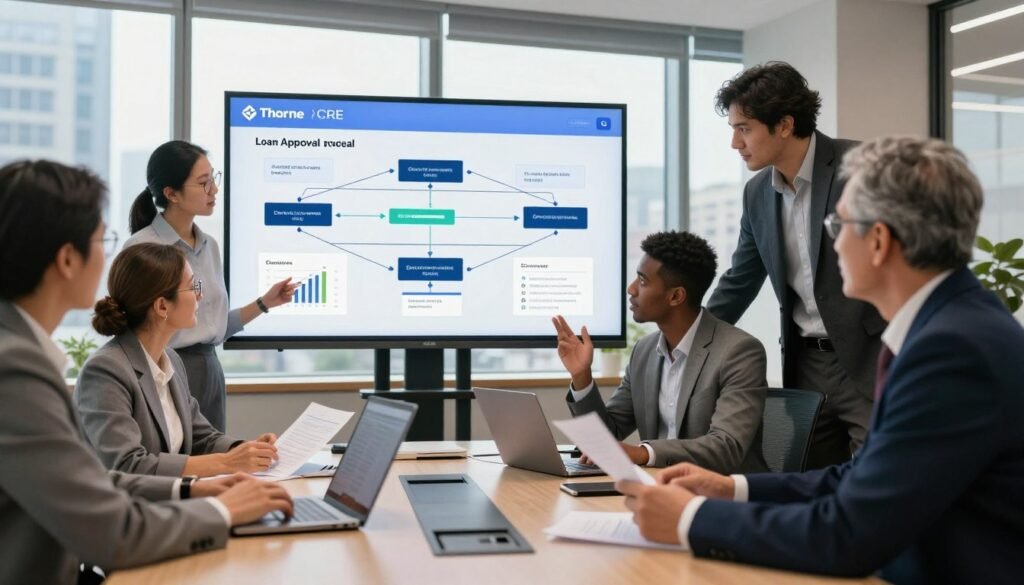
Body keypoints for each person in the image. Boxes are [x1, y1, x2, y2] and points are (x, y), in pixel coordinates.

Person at [618, 137, 1024, 584]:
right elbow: (858, 478)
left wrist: (690, 520)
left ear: (879, 241)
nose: (828, 244)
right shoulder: (945, 327)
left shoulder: (952, 351)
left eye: (837, 225)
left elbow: (848, 534)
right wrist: (731, 488)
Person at [0, 160, 293, 584]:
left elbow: (95, 479)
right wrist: (224, 509)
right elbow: (113, 531)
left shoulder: (23, 355)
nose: (107, 255)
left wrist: (193, 487)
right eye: (103, 240)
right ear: (67, 258)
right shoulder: (17, 372)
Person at [705, 61, 884, 468]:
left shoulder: (860, 166)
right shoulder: (757, 194)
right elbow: (740, 280)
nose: (735, 143)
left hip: (867, 358)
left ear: (784, 125)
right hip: (806, 365)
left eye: (744, 128)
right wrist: (692, 338)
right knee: (807, 484)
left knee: (876, 480)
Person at [553, 231, 768, 473]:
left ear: (676, 296)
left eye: (643, 282)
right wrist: (582, 377)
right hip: (661, 488)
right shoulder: (644, 351)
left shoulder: (739, 351)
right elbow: (607, 436)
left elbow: (726, 446)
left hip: (723, 495)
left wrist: (642, 452)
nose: (631, 289)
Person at [126, 140, 298, 431]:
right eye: (204, 183)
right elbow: (135, 332)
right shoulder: (143, 248)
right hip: (164, 371)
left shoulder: (209, 246)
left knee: (215, 462)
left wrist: (264, 303)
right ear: (172, 194)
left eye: (213, 180)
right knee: (175, 462)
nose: (214, 191)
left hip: (210, 371)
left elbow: (212, 327)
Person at [76, 243, 281, 477]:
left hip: (167, 503)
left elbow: (201, 437)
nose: (200, 295)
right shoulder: (106, 370)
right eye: (193, 286)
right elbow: (128, 466)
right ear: (162, 306)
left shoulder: (170, 359)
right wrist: (228, 463)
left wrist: (246, 450)